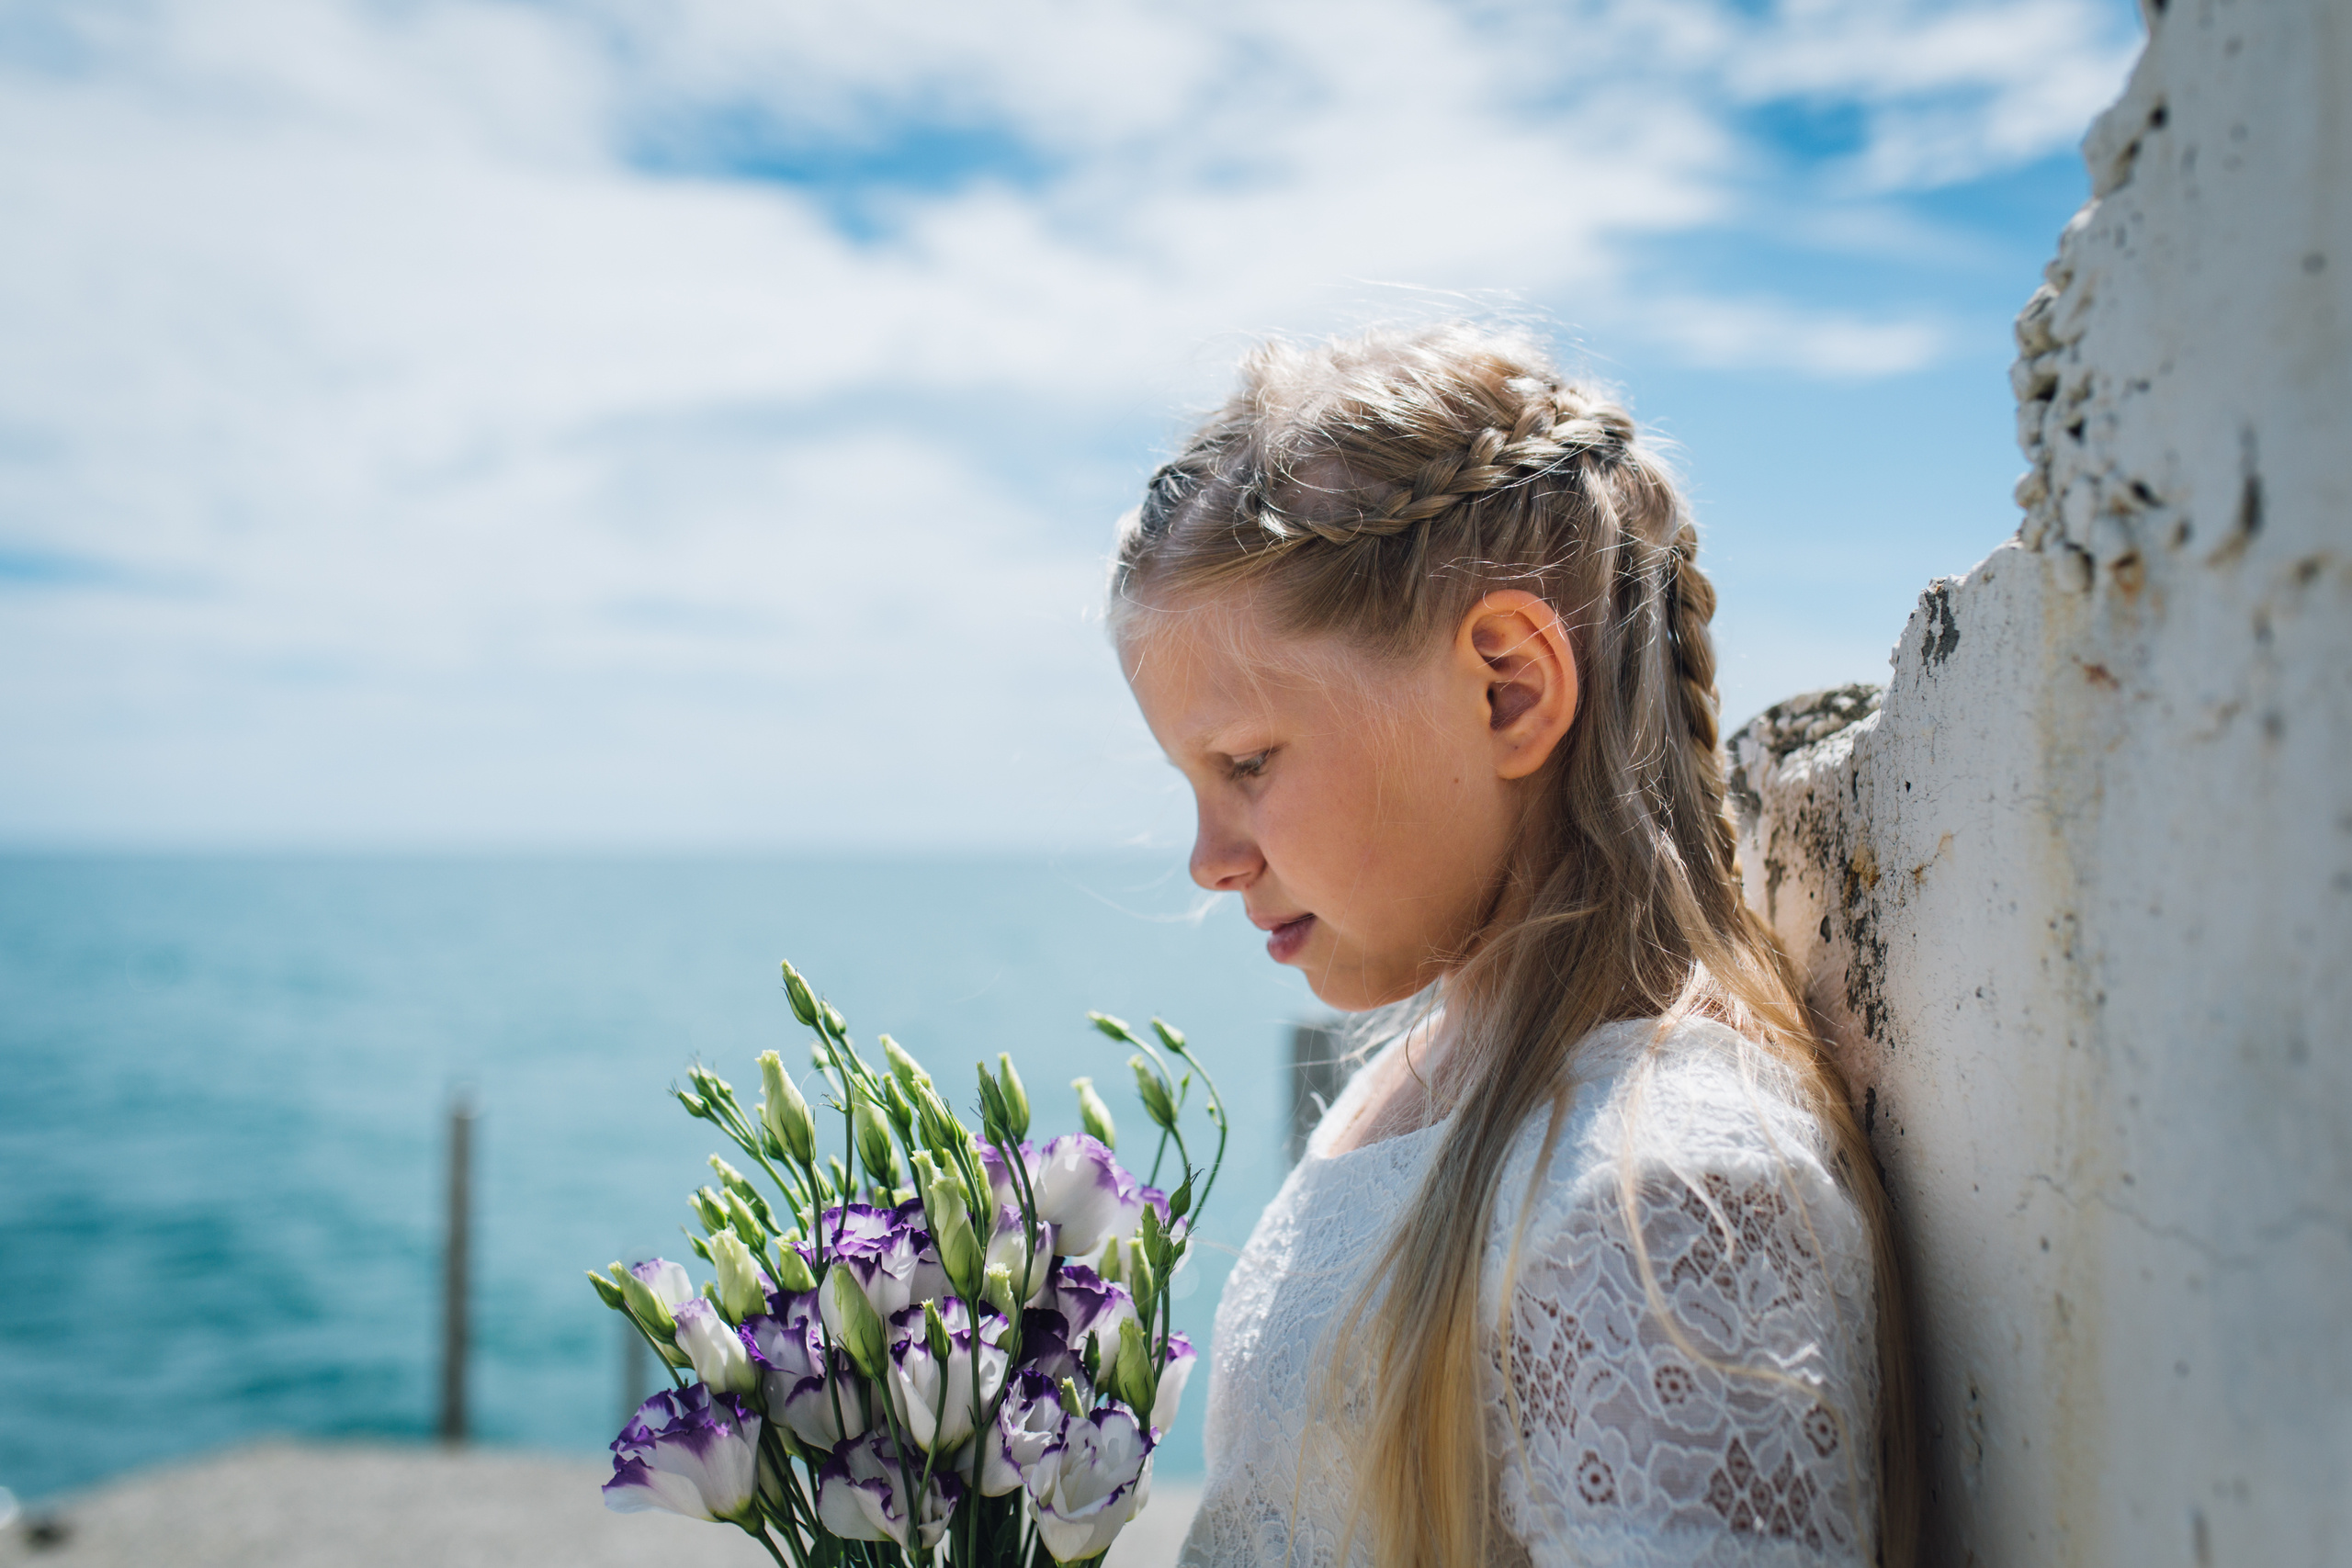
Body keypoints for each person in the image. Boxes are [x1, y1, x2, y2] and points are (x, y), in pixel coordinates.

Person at [1110, 325, 1914, 1568]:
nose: (1211, 859)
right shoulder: (1419, 1082)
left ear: (1508, 691)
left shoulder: (1667, 1195)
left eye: (1248, 765)